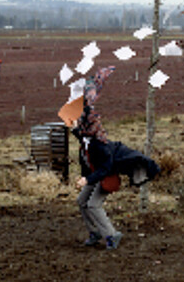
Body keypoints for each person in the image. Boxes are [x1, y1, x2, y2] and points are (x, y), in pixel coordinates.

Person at [70, 66, 161, 250]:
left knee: (94, 205)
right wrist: (73, 128)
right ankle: (94, 232)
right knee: (81, 202)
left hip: (107, 175)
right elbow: (82, 136)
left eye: (80, 121)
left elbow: (105, 167)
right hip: (96, 174)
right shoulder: (88, 136)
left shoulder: (99, 145)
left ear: (88, 126)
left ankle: (112, 235)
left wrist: (86, 179)